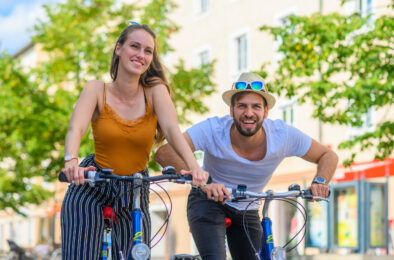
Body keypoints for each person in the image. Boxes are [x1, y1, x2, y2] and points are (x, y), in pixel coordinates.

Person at [60, 22, 208, 260]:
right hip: (94, 180)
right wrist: (71, 162)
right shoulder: (96, 90)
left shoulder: (155, 92)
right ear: (118, 49)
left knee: (137, 254)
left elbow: (172, 129)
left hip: (136, 186)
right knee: (81, 252)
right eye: (134, 46)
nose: (141, 55)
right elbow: (75, 128)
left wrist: (194, 168)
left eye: (148, 51)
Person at [154, 72, 338, 260]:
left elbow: (328, 155)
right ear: (231, 110)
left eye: (256, 106)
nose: (249, 113)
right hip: (207, 200)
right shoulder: (213, 129)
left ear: (266, 112)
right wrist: (204, 182)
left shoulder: (282, 135)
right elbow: (164, 153)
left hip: (248, 207)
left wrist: (320, 181)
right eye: (242, 106)